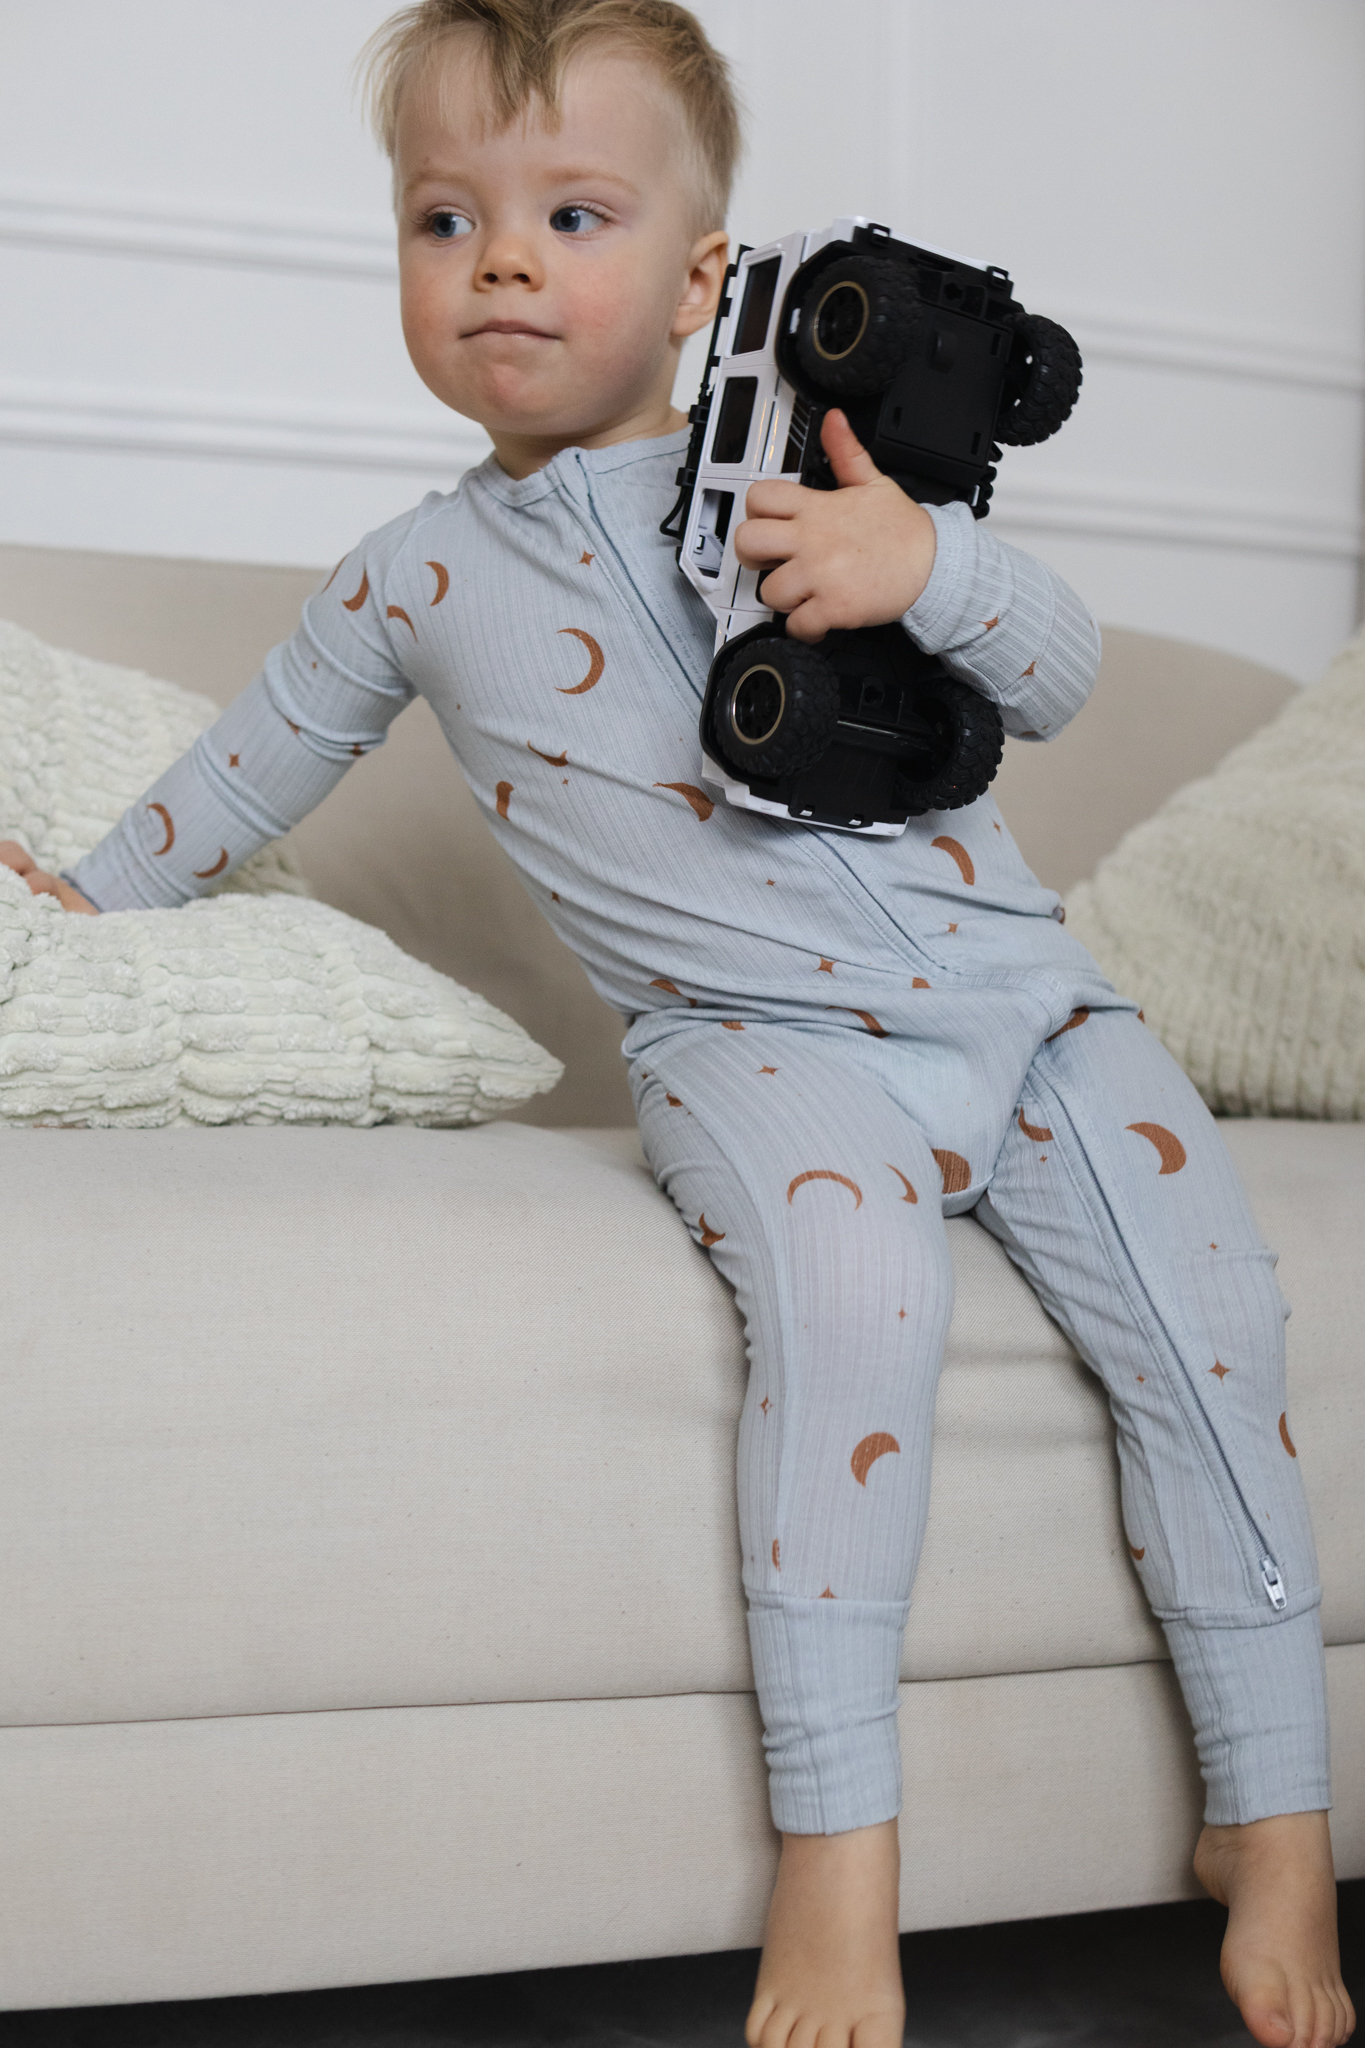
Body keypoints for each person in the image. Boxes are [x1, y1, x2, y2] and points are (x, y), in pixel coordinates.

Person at [2, 5, 1353, 2044]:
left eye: (572, 214)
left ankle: (1270, 1810)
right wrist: (92, 893)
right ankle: (838, 1854)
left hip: (1028, 994)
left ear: (705, 274)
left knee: (1214, 1313)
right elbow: (254, 760)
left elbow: (1053, 673)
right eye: (443, 219)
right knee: (850, 1297)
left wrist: (926, 562)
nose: (501, 260)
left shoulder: (820, 468)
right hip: (749, 1042)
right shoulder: (410, 579)